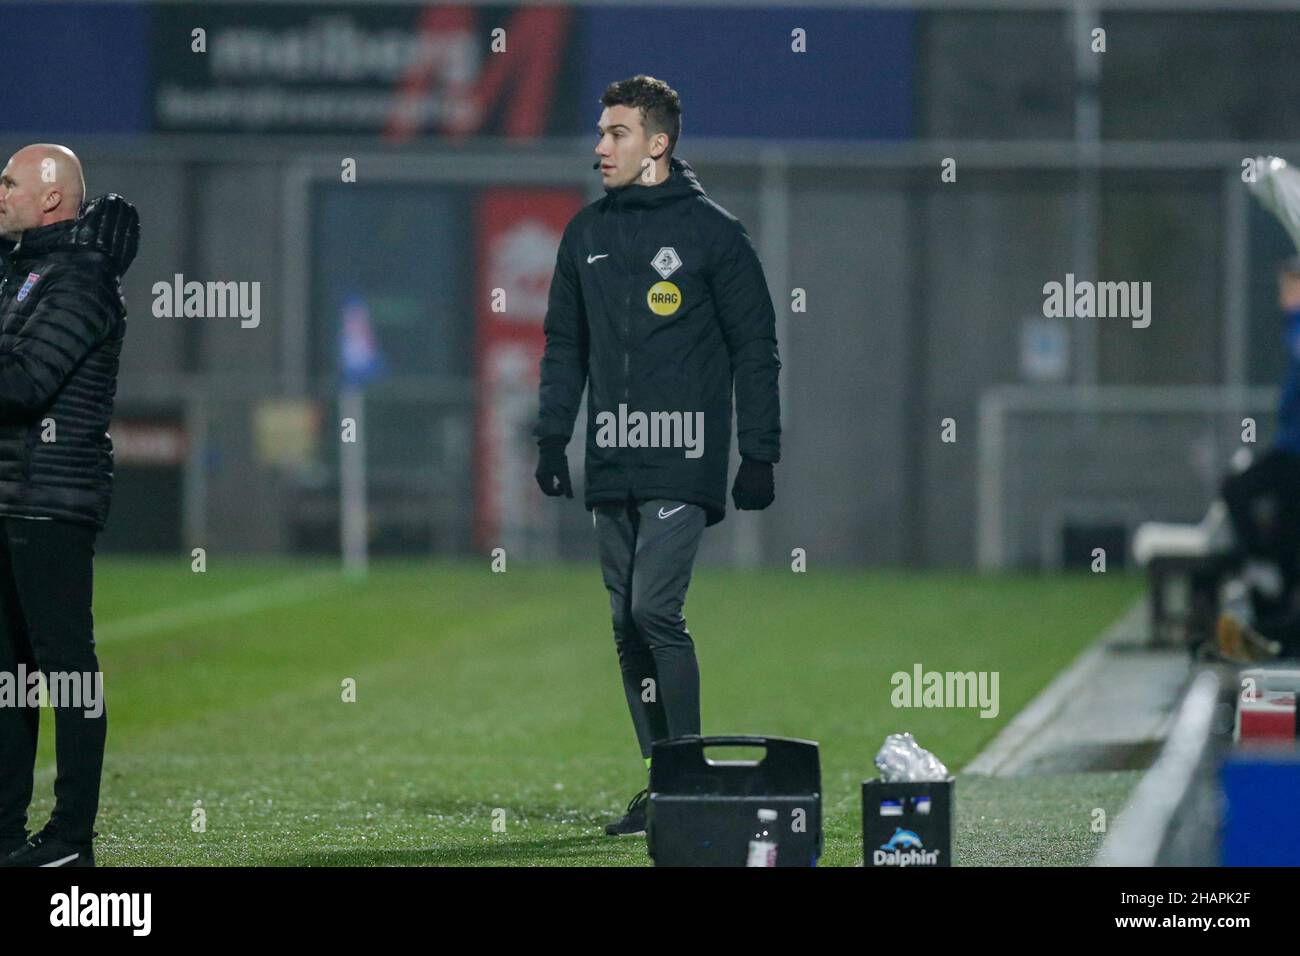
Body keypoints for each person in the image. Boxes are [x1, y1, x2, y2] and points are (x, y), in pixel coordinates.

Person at [533, 76, 781, 836]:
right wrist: (552, 435)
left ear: (658, 144)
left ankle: (691, 778)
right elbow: (564, 344)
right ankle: (664, 780)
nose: (601, 146)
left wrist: (757, 453)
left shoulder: (716, 235)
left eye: (616, 133)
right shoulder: (585, 235)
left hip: (685, 455)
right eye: (601, 132)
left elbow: (756, 349)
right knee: (623, 623)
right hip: (613, 459)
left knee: (652, 608)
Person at [0, 144, 139, 867]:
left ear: (51, 197)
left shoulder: (81, 280)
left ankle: (70, 840)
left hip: (50, 502)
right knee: (9, 674)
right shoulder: (24, 268)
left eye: (10, 181)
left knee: (65, 669)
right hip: (10, 496)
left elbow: (24, 385)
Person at [1216, 255, 1300, 662]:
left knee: (1237, 489)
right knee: (1285, 544)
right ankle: (1272, 625)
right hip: (1290, 450)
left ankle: (1274, 614)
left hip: (1294, 455)